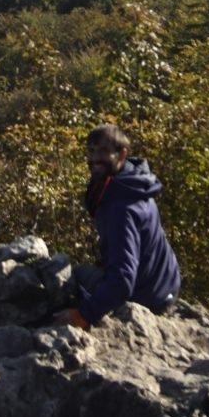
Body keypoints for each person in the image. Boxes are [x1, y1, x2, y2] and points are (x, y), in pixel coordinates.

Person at [54, 122, 182, 328]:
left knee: (75, 275)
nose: (94, 158)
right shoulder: (134, 182)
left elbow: (123, 279)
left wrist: (83, 315)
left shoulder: (120, 206)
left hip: (148, 298)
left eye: (104, 151)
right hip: (165, 285)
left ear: (122, 154)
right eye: (91, 151)